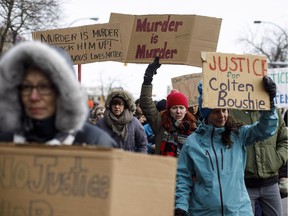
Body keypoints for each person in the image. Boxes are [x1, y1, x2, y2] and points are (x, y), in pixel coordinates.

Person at [174, 77, 278, 216]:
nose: (222, 115)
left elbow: (265, 129)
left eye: (224, 109)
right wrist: (181, 205)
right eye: (216, 111)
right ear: (206, 114)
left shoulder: (238, 134)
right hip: (203, 212)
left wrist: (269, 104)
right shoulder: (192, 143)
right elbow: (183, 177)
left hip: (239, 211)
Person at [0, 41, 116, 147]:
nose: (33, 97)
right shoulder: (4, 141)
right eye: (26, 87)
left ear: (63, 92)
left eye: (44, 87)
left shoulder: (95, 142)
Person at [229, 102, 288, 215]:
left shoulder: (272, 110)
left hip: (270, 182)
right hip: (244, 184)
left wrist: (278, 159)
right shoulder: (231, 111)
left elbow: (284, 139)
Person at [140, 57, 197, 157]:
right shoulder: (161, 124)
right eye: (174, 108)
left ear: (186, 110)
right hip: (163, 170)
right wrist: (148, 76)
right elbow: (145, 103)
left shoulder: (194, 128)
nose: (178, 111)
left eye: (181, 108)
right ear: (169, 109)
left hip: (184, 172)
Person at [96, 88, 148, 153]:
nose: (117, 107)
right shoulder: (101, 123)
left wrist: (138, 161)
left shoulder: (134, 122)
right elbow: (94, 144)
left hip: (128, 161)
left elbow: (143, 145)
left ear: (125, 106)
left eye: (120, 104)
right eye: (114, 104)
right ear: (110, 105)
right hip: (107, 160)